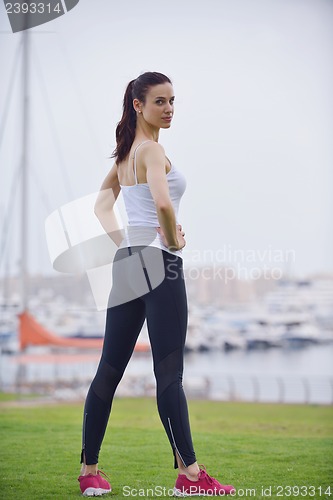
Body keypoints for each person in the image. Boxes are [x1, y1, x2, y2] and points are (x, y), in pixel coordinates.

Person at [77, 72, 235, 497]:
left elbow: (101, 205)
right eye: (160, 101)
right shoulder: (150, 150)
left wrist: (128, 244)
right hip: (159, 264)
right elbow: (164, 203)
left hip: (128, 262)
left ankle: (90, 472)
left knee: (109, 371)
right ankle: (191, 477)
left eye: (172, 101)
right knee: (169, 373)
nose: (168, 109)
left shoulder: (126, 155)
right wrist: (173, 238)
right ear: (137, 105)